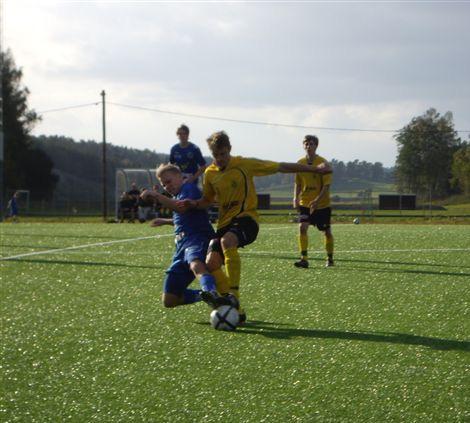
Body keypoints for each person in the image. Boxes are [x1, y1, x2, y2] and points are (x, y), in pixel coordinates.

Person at [176, 131, 332, 323]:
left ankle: (232, 294)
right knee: (212, 263)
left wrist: (315, 170)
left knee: (227, 241)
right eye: (216, 155)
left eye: (223, 154)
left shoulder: (244, 164)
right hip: (224, 223)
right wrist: (193, 204)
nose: (220, 159)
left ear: (229, 150)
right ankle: (238, 311)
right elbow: (207, 200)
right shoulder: (210, 174)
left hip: (247, 220)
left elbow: (281, 167)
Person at [141, 164, 234, 310]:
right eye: (163, 184)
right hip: (181, 248)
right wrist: (165, 221)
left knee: (195, 263)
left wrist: (156, 195)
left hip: (197, 239)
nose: (166, 186)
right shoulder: (178, 195)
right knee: (170, 299)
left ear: (180, 177)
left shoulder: (189, 188)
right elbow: (184, 219)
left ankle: (211, 291)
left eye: (169, 181)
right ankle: (206, 295)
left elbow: (180, 207)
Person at [293, 135, 334, 268]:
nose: (308, 146)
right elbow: (298, 183)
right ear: (303, 145)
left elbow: (326, 186)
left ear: (316, 146)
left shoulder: (324, 164)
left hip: (322, 204)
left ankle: (330, 258)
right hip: (305, 203)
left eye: (311, 144)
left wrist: (317, 200)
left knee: (326, 232)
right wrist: (295, 197)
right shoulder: (300, 163)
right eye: (306, 144)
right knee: (302, 227)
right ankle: (304, 258)